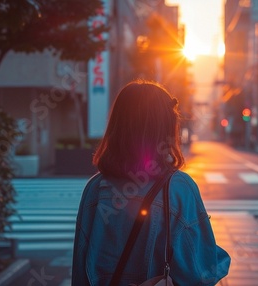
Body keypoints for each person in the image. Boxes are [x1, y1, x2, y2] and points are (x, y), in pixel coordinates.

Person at [72, 80, 230, 285]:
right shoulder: (179, 188)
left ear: (116, 125)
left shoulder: (94, 189)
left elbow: (80, 270)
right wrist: (218, 257)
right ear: (166, 128)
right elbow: (199, 273)